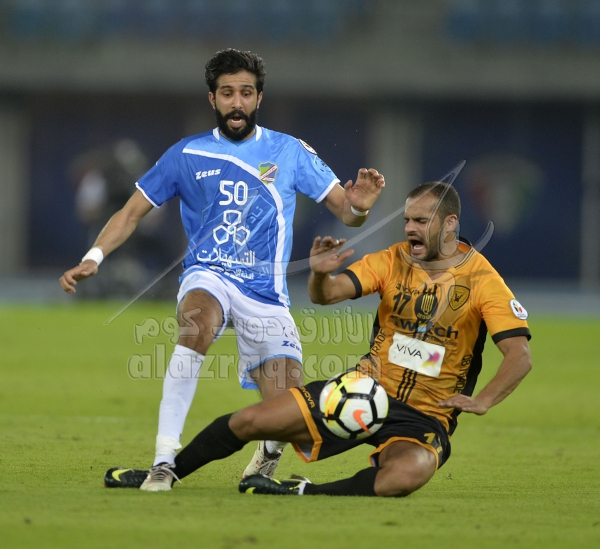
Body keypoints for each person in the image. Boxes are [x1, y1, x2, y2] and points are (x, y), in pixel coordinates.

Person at [60, 48, 385, 491]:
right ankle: (163, 461)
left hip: (266, 294)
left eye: (246, 93)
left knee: (289, 411)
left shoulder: (289, 151)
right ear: (212, 99)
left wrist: (361, 208)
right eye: (227, 93)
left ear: (259, 98)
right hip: (208, 274)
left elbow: (346, 212)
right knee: (197, 323)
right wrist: (93, 257)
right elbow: (131, 212)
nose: (237, 102)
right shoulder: (186, 154)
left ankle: (267, 454)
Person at [104, 181, 532, 496]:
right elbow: (327, 296)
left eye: (421, 221)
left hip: (425, 417)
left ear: (450, 223)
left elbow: (519, 355)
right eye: (406, 220)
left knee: (404, 476)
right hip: (360, 392)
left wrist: (484, 399)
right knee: (250, 421)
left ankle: (303, 490)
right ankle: (164, 473)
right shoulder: (392, 260)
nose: (410, 229)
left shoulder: (484, 281)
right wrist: (320, 274)